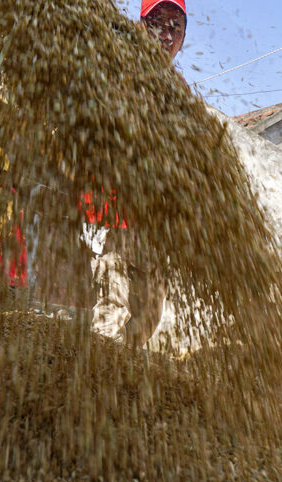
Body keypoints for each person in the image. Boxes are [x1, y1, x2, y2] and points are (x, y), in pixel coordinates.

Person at [87, 0, 187, 347]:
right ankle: (95, 371)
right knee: (112, 306)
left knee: (148, 319)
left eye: (176, 26)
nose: (167, 33)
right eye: (158, 22)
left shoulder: (180, 91)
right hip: (120, 216)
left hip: (159, 228)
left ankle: (121, 383)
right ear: (141, 26)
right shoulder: (120, 64)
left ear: (183, 39)